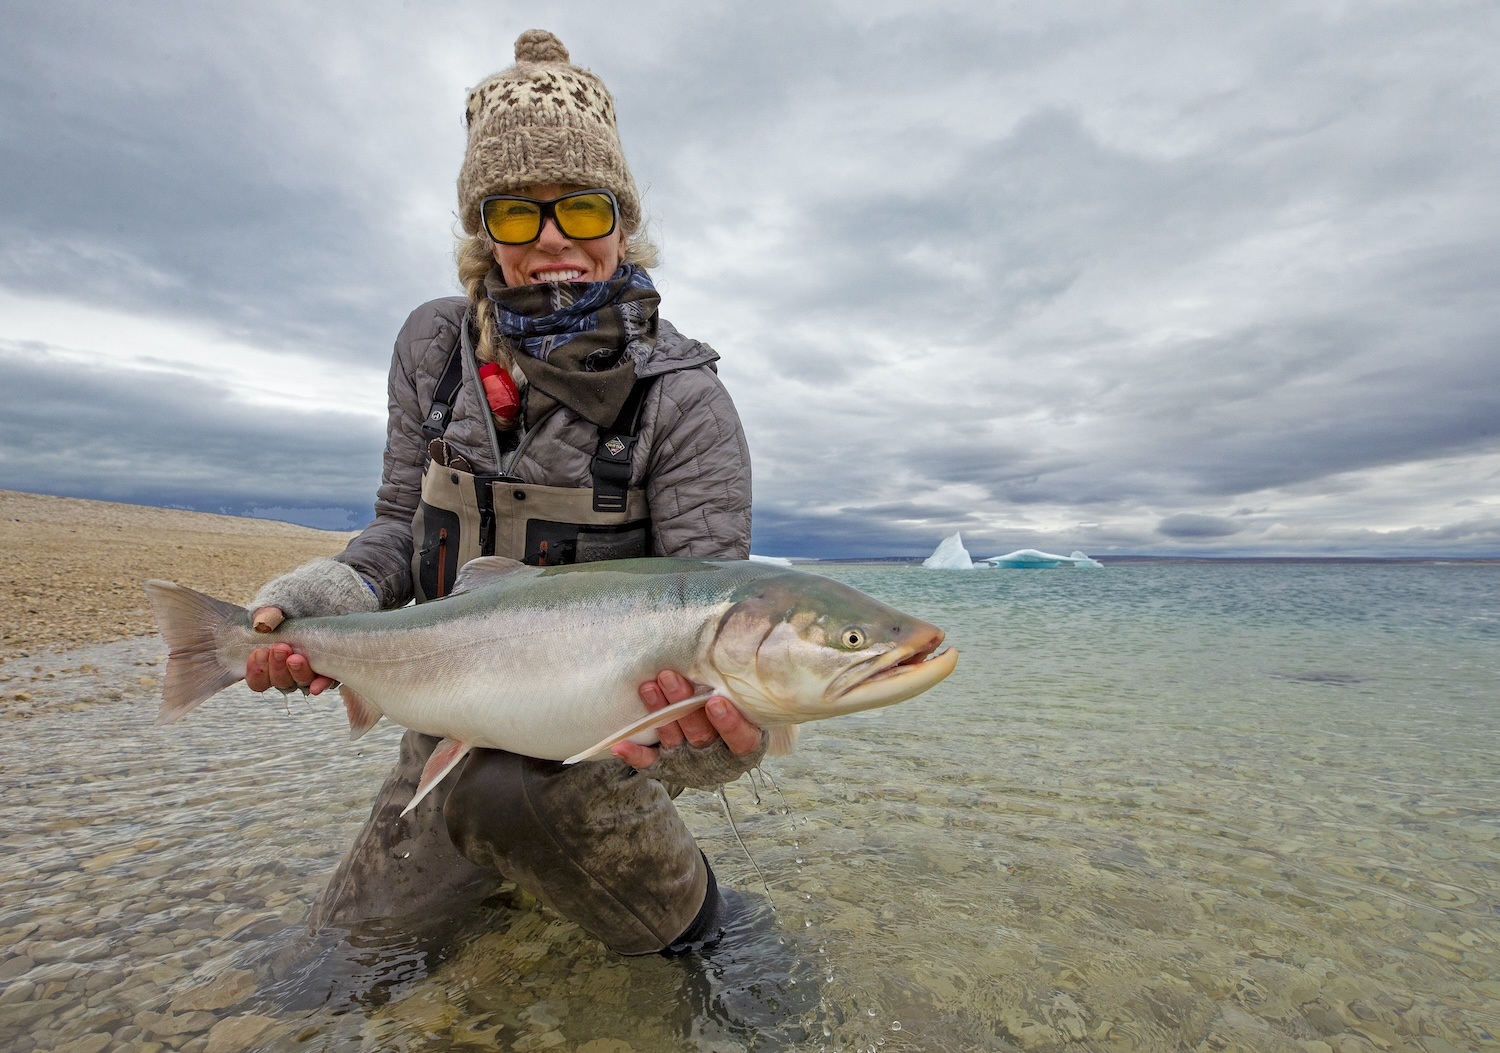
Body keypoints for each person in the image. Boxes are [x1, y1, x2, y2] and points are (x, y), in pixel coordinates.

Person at [241, 30, 764, 956]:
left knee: (532, 807)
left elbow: (712, 611)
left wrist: (721, 735)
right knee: (336, 971)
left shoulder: (686, 402)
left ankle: (704, 927)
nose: (554, 239)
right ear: (485, 234)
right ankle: (498, 880)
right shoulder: (431, 350)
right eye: (517, 214)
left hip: (601, 747)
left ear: (625, 225)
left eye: (584, 209)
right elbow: (400, 526)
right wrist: (335, 597)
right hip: (445, 709)